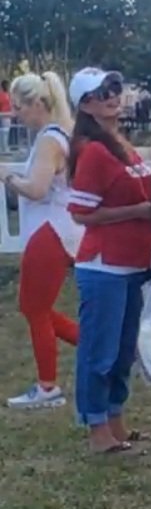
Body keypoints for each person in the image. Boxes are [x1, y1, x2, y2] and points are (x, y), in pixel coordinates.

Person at [66, 68, 151, 455]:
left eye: (115, 88)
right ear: (85, 104)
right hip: (104, 265)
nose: (112, 95)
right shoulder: (94, 151)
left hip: (131, 263)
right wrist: (137, 210)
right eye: (102, 92)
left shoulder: (119, 144)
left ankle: (115, 420)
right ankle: (97, 428)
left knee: (121, 351)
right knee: (99, 351)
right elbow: (81, 213)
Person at [0, 72, 83, 408]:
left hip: (49, 230)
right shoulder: (61, 134)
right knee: (36, 307)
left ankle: (48, 386)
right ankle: (103, 350)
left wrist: (7, 176)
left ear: (38, 103)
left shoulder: (49, 140)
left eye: (19, 107)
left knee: (35, 308)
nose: (15, 113)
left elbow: (36, 188)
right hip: (58, 229)